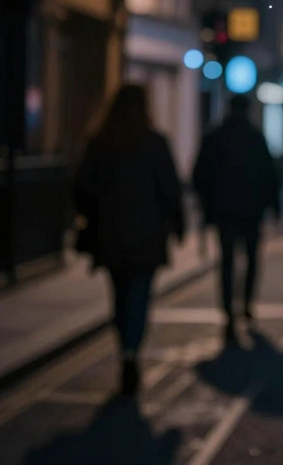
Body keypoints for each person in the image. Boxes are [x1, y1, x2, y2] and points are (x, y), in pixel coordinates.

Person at [73, 85, 184, 396]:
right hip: (146, 236)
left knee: (120, 297)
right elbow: (170, 190)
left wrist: (95, 214)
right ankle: (131, 352)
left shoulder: (99, 143)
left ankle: (126, 348)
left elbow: (81, 188)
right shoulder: (155, 143)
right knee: (139, 297)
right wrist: (178, 224)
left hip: (110, 235)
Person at [193, 95, 281, 338]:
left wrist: (207, 204)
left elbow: (200, 175)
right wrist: (274, 206)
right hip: (251, 211)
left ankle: (229, 311)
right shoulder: (255, 137)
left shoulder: (215, 137)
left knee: (227, 261)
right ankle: (246, 305)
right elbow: (269, 175)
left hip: (224, 211)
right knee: (251, 259)